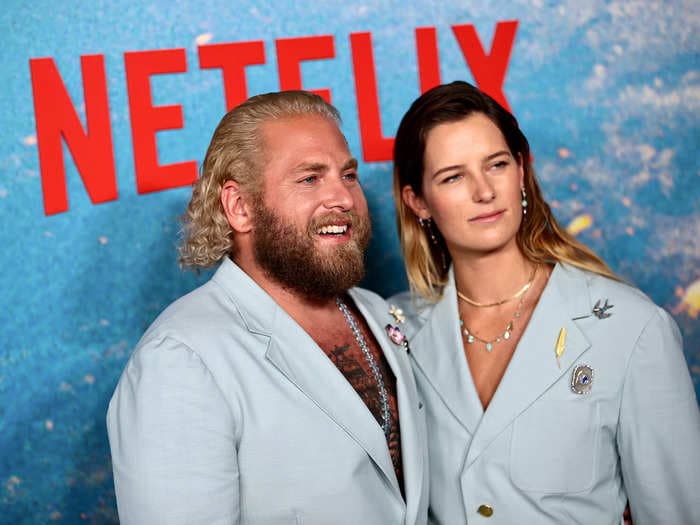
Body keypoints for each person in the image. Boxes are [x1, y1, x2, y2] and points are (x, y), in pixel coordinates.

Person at [107, 90, 428, 524]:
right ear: (239, 208)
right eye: (310, 178)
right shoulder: (181, 360)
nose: (344, 198)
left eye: (348, 174)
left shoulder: (375, 312)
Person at [391, 80, 700, 524]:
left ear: (520, 171)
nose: (483, 191)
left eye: (495, 165)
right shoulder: (394, 333)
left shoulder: (633, 328)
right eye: (453, 176)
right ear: (418, 201)